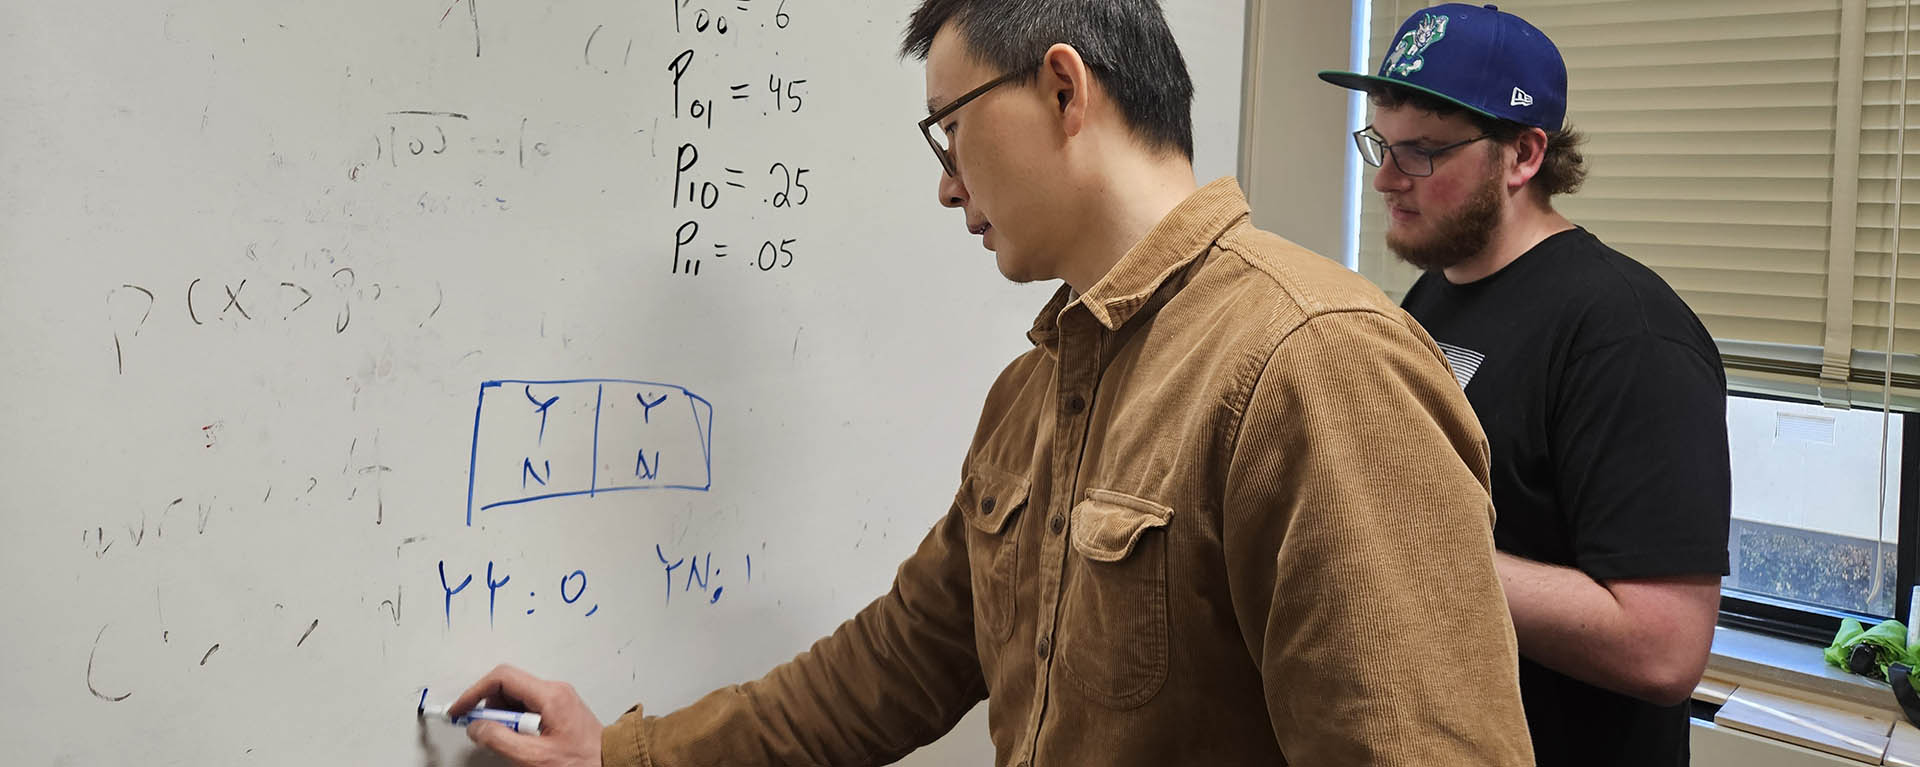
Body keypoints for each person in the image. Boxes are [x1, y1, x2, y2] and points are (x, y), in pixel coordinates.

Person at [451, 1, 1536, 764]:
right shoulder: (1038, 390)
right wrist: (629, 753)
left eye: (951, 129)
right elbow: (893, 663)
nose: (945, 183)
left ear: (1063, 86)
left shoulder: (1313, 360)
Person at [1320, 5, 1732, 765]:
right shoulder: (1435, 295)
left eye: (1420, 152)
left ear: (1523, 155)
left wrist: (1410, 544)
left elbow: (1664, 648)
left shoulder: (1629, 336)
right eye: (1382, 142)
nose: (1384, 178)